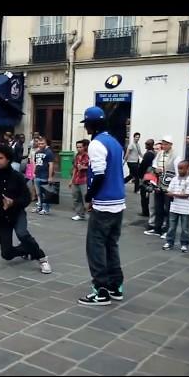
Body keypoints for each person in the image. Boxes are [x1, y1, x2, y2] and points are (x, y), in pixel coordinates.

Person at [77, 107, 126, 306]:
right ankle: (116, 286)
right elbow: (125, 172)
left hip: (104, 203)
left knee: (95, 247)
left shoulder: (96, 144)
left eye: (86, 124)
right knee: (111, 245)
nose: (86, 128)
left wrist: (90, 197)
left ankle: (101, 290)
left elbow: (98, 174)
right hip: (118, 201)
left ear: (92, 124)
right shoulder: (115, 142)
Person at [0, 144, 52, 274]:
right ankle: (26, 250)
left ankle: (42, 258)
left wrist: (13, 202)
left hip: (17, 213)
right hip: (2, 216)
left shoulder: (18, 177)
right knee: (6, 254)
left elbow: (27, 198)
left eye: (1, 158)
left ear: (8, 159)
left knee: (22, 234)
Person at [144, 135, 181, 237]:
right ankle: (157, 228)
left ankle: (168, 230)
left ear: (170, 145)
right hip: (159, 183)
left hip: (169, 185)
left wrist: (176, 187)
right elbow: (154, 164)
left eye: (166, 144)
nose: (163, 146)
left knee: (168, 208)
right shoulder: (160, 154)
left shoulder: (176, 156)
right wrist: (156, 169)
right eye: (163, 144)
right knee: (158, 207)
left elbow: (178, 172)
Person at [163, 160, 189, 253]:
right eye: (178, 168)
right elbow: (169, 191)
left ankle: (184, 244)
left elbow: (187, 195)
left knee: (185, 228)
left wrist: (173, 194)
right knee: (171, 227)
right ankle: (169, 242)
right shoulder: (174, 179)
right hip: (174, 207)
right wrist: (170, 193)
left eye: (181, 168)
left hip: (184, 209)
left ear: (187, 168)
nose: (180, 170)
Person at [33, 137, 55, 215]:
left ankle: (46, 208)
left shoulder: (49, 152)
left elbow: (51, 165)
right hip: (37, 175)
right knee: (38, 193)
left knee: (45, 193)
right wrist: (34, 172)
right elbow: (35, 163)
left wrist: (50, 176)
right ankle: (39, 206)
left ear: (46, 143)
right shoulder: (37, 152)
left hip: (45, 175)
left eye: (42, 143)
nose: (40, 145)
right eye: (39, 143)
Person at [69, 139, 89, 221]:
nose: (78, 149)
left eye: (80, 147)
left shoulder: (88, 156)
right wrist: (71, 180)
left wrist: (84, 167)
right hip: (76, 179)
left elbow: (92, 168)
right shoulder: (77, 156)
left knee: (85, 198)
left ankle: (88, 213)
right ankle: (79, 214)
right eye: (77, 147)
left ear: (84, 147)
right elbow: (74, 168)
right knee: (76, 197)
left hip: (84, 179)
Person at [138, 138, 156, 217]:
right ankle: (147, 210)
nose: (146, 145)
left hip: (147, 175)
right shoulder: (154, 153)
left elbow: (143, 166)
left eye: (147, 144)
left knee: (144, 193)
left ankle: (145, 211)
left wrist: (140, 176)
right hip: (151, 175)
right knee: (148, 193)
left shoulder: (148, 154)